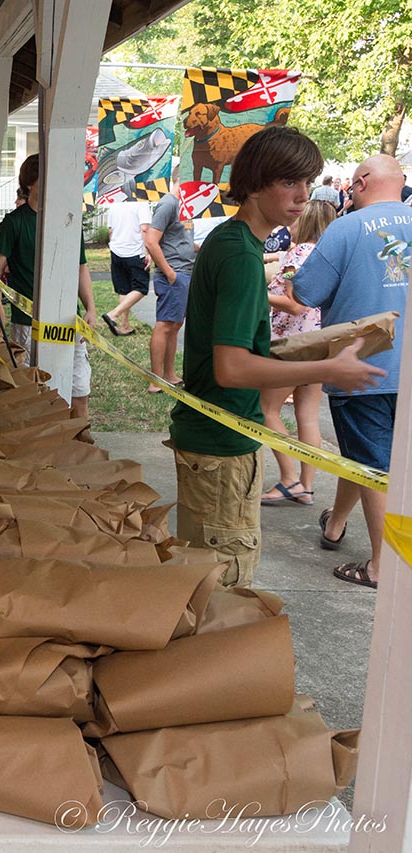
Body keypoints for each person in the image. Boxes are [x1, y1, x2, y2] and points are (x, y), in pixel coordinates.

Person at [168, 127, 383, 589]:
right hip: (221, 444)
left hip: (216, 437)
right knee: (222, 585)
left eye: (308, 181)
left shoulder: (233, 243)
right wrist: (329, 368)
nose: (302, 195)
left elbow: (238, 351)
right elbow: (233, 368)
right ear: (253, 182)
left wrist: (311, 348)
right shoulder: (241, 255)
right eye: (289, 182)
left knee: (208, 578)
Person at [293, 153, 412, 590]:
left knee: (372, 464)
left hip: (363, 369)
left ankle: (383, 565)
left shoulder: (344, 229)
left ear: (358, 183)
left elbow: (305, 291)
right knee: (363, 455)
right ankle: (336, 524)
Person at [0, 153, 97, 420]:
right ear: (31, 183)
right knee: (35, 394)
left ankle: (82, 448)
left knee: (79, 393)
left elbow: (80, 267)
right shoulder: (13, 223)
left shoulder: (69, 222)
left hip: (70, 321)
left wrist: (90, 308)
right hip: (27, 323)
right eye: (47, 177)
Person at [259, 199, 336, 507]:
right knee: (308, 416)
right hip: (319, 343)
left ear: (305, 222)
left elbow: (294, 304)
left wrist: (257, 292)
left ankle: (289, 478)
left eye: (295, 219)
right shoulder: (328, 257)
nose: (288, 224)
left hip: (291, 343)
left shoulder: (297, 254)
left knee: (266, 410)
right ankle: (306, 485)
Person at [144, 188, 197, 393]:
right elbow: (151, 240)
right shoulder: (168, 204)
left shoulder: (186, 204)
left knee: (174, 325)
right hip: (174, 274)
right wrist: (169, 272)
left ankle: (169, 374)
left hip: (184, 272)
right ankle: (155, 380)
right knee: (165, 324)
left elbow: (179, 240)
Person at [102, 201, 151, 336]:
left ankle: (125, 325)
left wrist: (114, 245)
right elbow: (145, 228)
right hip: (135, 252)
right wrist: (149, 251)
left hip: (116, 251)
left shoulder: (114, 204)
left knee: (124, 288)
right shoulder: (141, 204)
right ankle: (113, 314)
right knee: (141, 288)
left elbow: (110, 230)